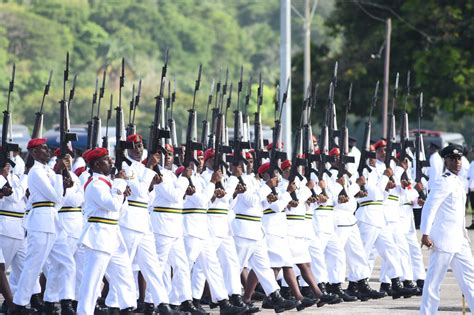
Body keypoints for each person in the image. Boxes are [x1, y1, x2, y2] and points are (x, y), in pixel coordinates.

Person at [419, 144, 474, 314]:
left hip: (459, 240)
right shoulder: (443, 181)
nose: (457, 162)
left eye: (459, 158)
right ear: (446, 161)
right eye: (452, 159)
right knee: (433, 283)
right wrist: (425, 233)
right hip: (443, 240)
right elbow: (430, 207)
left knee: (470, 280)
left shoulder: (458, 181)